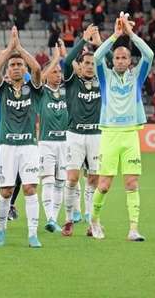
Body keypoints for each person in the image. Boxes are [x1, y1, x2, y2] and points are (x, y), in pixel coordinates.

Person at [89, 13, 154, 242]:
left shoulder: (137, 76)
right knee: (104, 185)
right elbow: (97, 56)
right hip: (109, 134)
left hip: (130, 135)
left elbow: (150, 54)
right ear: (113, 60)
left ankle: (133, 229)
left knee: (131, 182)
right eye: (116, 57)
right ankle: (94, 220)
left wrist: (131, 34)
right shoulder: (105, 76)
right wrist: (116, 35)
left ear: (129, 61)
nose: (119, 61)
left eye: (124, 57)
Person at [0, 27, 43, 248]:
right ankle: (1, 230)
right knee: (6, 191)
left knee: (30, 189)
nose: (16, 68)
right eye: (13, 65)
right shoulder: (2, 87)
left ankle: (33, 234)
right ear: (9, 69)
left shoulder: (33, 87)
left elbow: (37, 68)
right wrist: (10, 48)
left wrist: (20, 48)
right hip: (7, 145)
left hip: (29, 146)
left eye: (19, 65)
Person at [62, 25, 102, 236]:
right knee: (72, 178)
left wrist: (99, 44)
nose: (89, 66)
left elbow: (113, 61)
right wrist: (82, 40)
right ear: (81, 65)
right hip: (75, 135)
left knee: (94, 179)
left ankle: (91, 221)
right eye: (86, 63)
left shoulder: (102, 82)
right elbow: (66, 61)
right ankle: (68, 219)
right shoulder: (72, 80)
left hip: (96, 135)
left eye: (93, 63)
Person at [38, 46, 68, 234]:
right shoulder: (41, 91)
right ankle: (49, 217)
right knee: (48, 180)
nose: (58, 75)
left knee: (60, 182)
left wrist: (64, 58)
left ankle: (54, 219)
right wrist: (56, 59)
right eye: (54, 72)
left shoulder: (67, 91)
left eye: (59, 72)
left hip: (66, 142)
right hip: (46, 142)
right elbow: (39, 79)